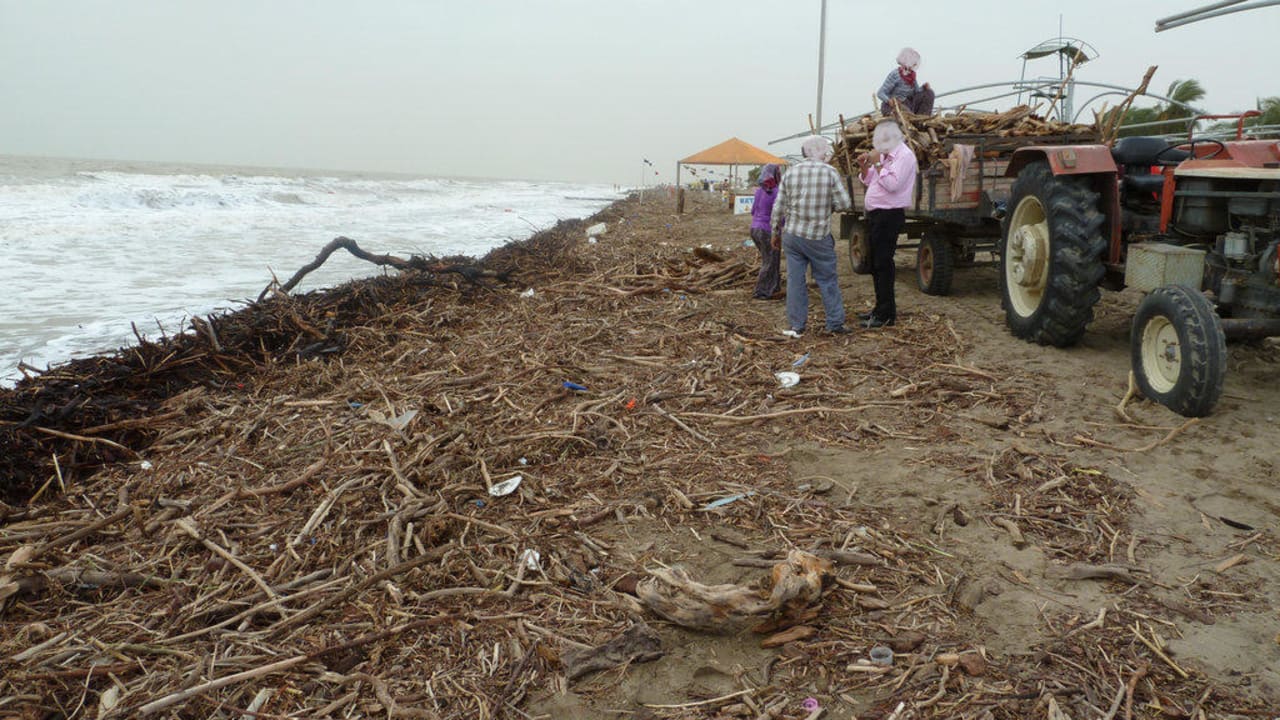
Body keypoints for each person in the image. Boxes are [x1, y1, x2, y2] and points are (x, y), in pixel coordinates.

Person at [771, 136, 853, 336]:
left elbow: (778, 208)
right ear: (821, 152)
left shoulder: (790, 173)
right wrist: (828, 207)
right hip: (818, 236)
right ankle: (834, 323)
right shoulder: (830, 172)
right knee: (827, 280)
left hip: (792, 235)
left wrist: (775, 232)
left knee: (795, 281)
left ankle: (797, 325)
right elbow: (844, 204)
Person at [856, 120, 918, 328]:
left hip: (889, 215)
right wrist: (865, 167)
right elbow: (869, 180)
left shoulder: (904, 156)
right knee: (875, 263)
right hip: (877, 215)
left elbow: (893, 184)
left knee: (883, 263)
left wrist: (877, 164)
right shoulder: (886, 155)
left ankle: (886, 315)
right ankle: (879, 309)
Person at [749, 164, 783, 299]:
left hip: (754, 229)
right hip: (768, 230)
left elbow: (753, 211)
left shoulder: (759, 191)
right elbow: (780, 215)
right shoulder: (777, 192)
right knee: (770, 261)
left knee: (770, 259)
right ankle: (762, 291)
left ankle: (774, 286)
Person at [877, 47, 935, 117]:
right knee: (905, 111)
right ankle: (912, 117)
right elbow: (880, 93)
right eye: (913, 63)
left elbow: (916, 92)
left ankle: (922, 118)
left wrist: (923, 87)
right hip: (892, 107)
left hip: (907, 105)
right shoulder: (895, 74)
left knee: (929, 93)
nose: (914, 65)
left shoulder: (912, 76)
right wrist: (889, 101)